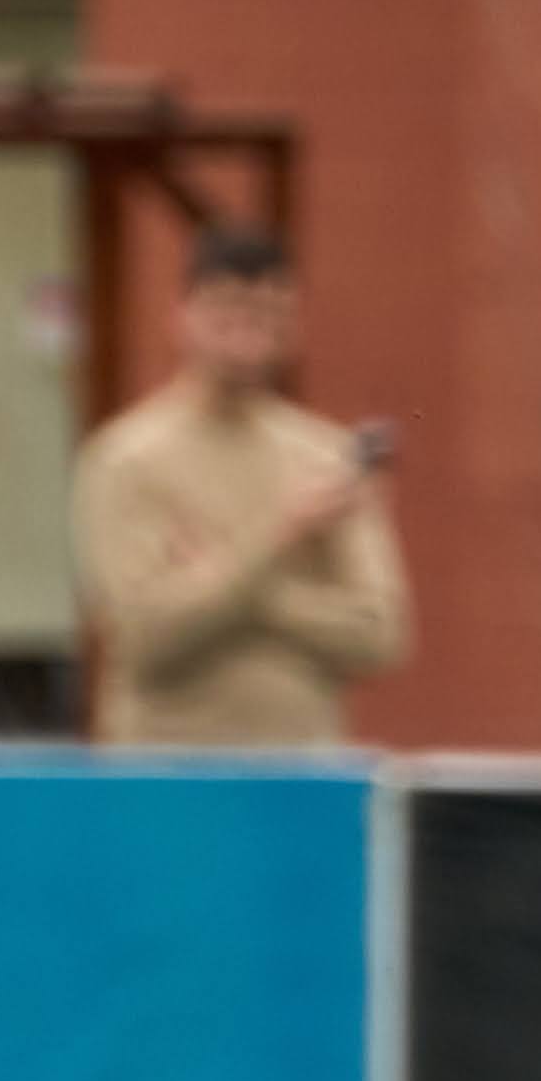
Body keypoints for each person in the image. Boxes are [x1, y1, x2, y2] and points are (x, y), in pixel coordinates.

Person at [70, 224, 409, 745]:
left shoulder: (329, 458)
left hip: (304, 772)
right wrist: (285, 534)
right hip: (165, 775)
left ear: (295, 323)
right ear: (181, 314)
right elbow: (145, 638)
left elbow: (380, 637)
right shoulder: (125, 458)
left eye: (269, 312)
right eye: (226, 309)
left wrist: (236, 588)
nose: (247, 329)